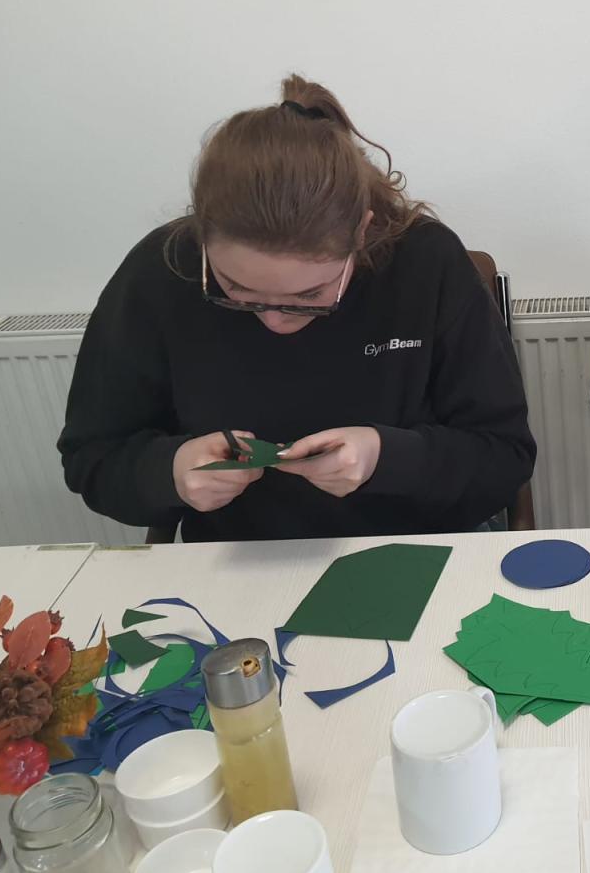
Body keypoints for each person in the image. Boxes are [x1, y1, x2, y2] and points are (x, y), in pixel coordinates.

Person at [59, 75, 536, 541]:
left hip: (418, 546)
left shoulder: (426, 264)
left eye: (310, 297)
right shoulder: (159, 273)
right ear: (202, 240)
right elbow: (92, 458)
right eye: (236, 289)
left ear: (361, 232)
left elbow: (503, 456)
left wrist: (386, 457)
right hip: (235, 559)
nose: (274, 321)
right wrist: (169, 472)